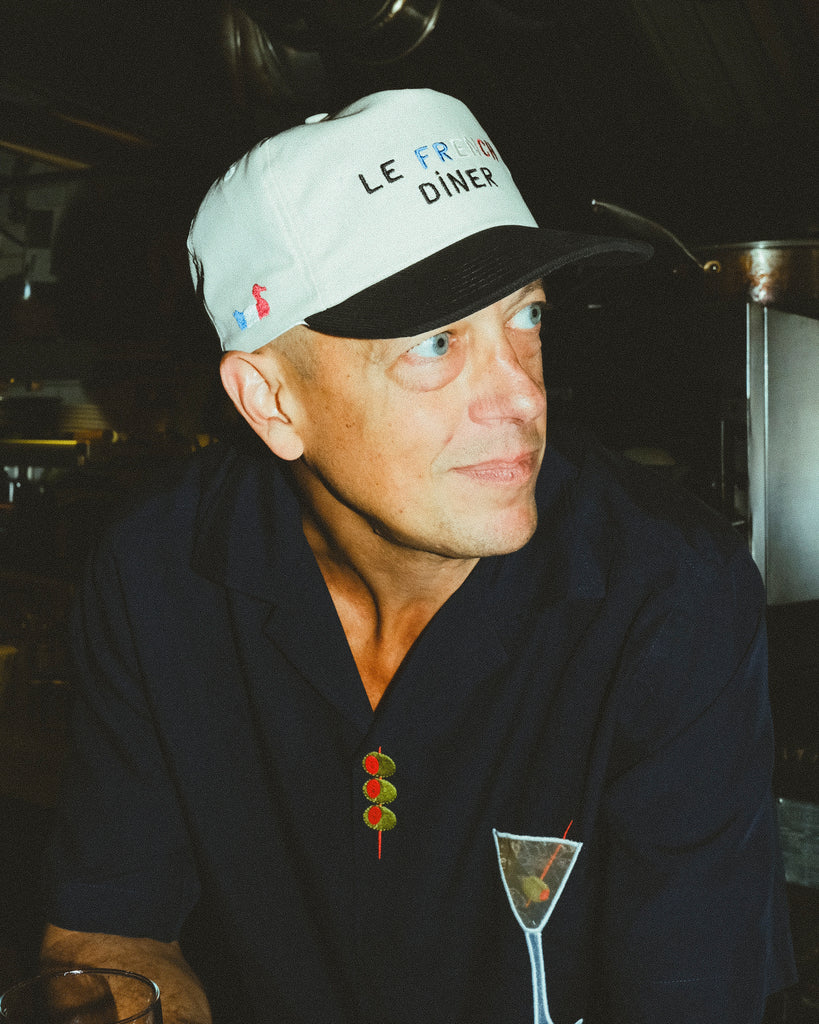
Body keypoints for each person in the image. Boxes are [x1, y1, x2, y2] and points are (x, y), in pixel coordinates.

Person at [40, 89, 794, 1024]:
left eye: (527, 319)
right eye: (437, 343)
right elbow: (111, 935)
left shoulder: (663, 589)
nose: (517, 395)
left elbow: (694, 992)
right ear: (272, 402)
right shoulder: (160, 573)